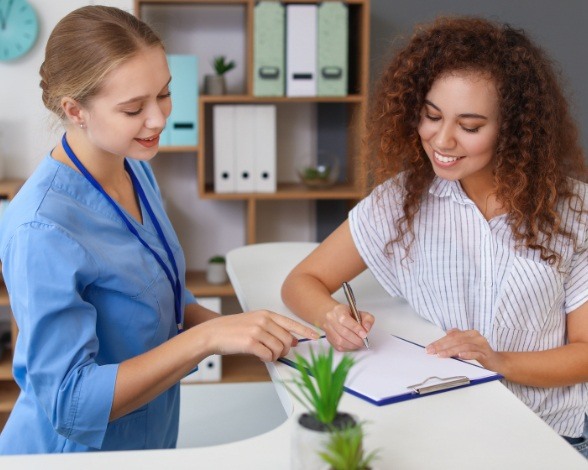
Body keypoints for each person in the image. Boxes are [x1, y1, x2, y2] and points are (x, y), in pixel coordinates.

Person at [0, 6, 319, 454]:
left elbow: (160, 297)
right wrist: (207, 340)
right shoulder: (42, 228)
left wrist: (246, 331)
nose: (158, 119)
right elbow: (70, 403)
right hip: (69, 458)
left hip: (147, 440)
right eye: (134, 108)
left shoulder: (134, 169)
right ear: (75, 110)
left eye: (164, 94)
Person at [281, 16, 588, 457]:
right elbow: (301, 281)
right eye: (431, 115)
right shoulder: (402, 200)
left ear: (515, 129)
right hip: (437, 431)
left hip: (549, 437)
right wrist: (332, 316)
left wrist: (499, 363)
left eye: (470, 126)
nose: (441, 140)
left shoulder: (574, 210)